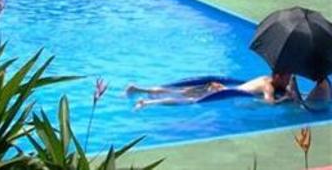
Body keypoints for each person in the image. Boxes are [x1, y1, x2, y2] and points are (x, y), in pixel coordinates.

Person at [126, 73, 296, 109]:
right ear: (279, 76)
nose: (288, 81)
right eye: (287, 77)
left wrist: (288, 89)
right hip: (220, 91)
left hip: (216, 86)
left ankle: (138, 89)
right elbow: (269, 102)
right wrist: (285, 99)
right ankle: (148, 102)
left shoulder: (265, 78)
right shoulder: (268, 87)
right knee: (188, 100)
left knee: (182, 92)